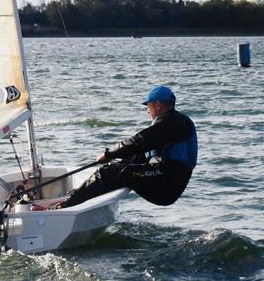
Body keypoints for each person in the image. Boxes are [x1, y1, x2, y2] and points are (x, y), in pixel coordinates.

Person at [56, 85, 197, 208]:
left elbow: (139, 141)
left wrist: (108, 154)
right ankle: (77, 195)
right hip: (164, 175)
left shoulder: (173, 123)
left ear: (158, 105)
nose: (148, 112)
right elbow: (139, 148)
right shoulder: (175, 121)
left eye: (148, 107)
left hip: (166, 183)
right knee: (131, 159)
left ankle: (66, 206)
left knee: (109, 173)